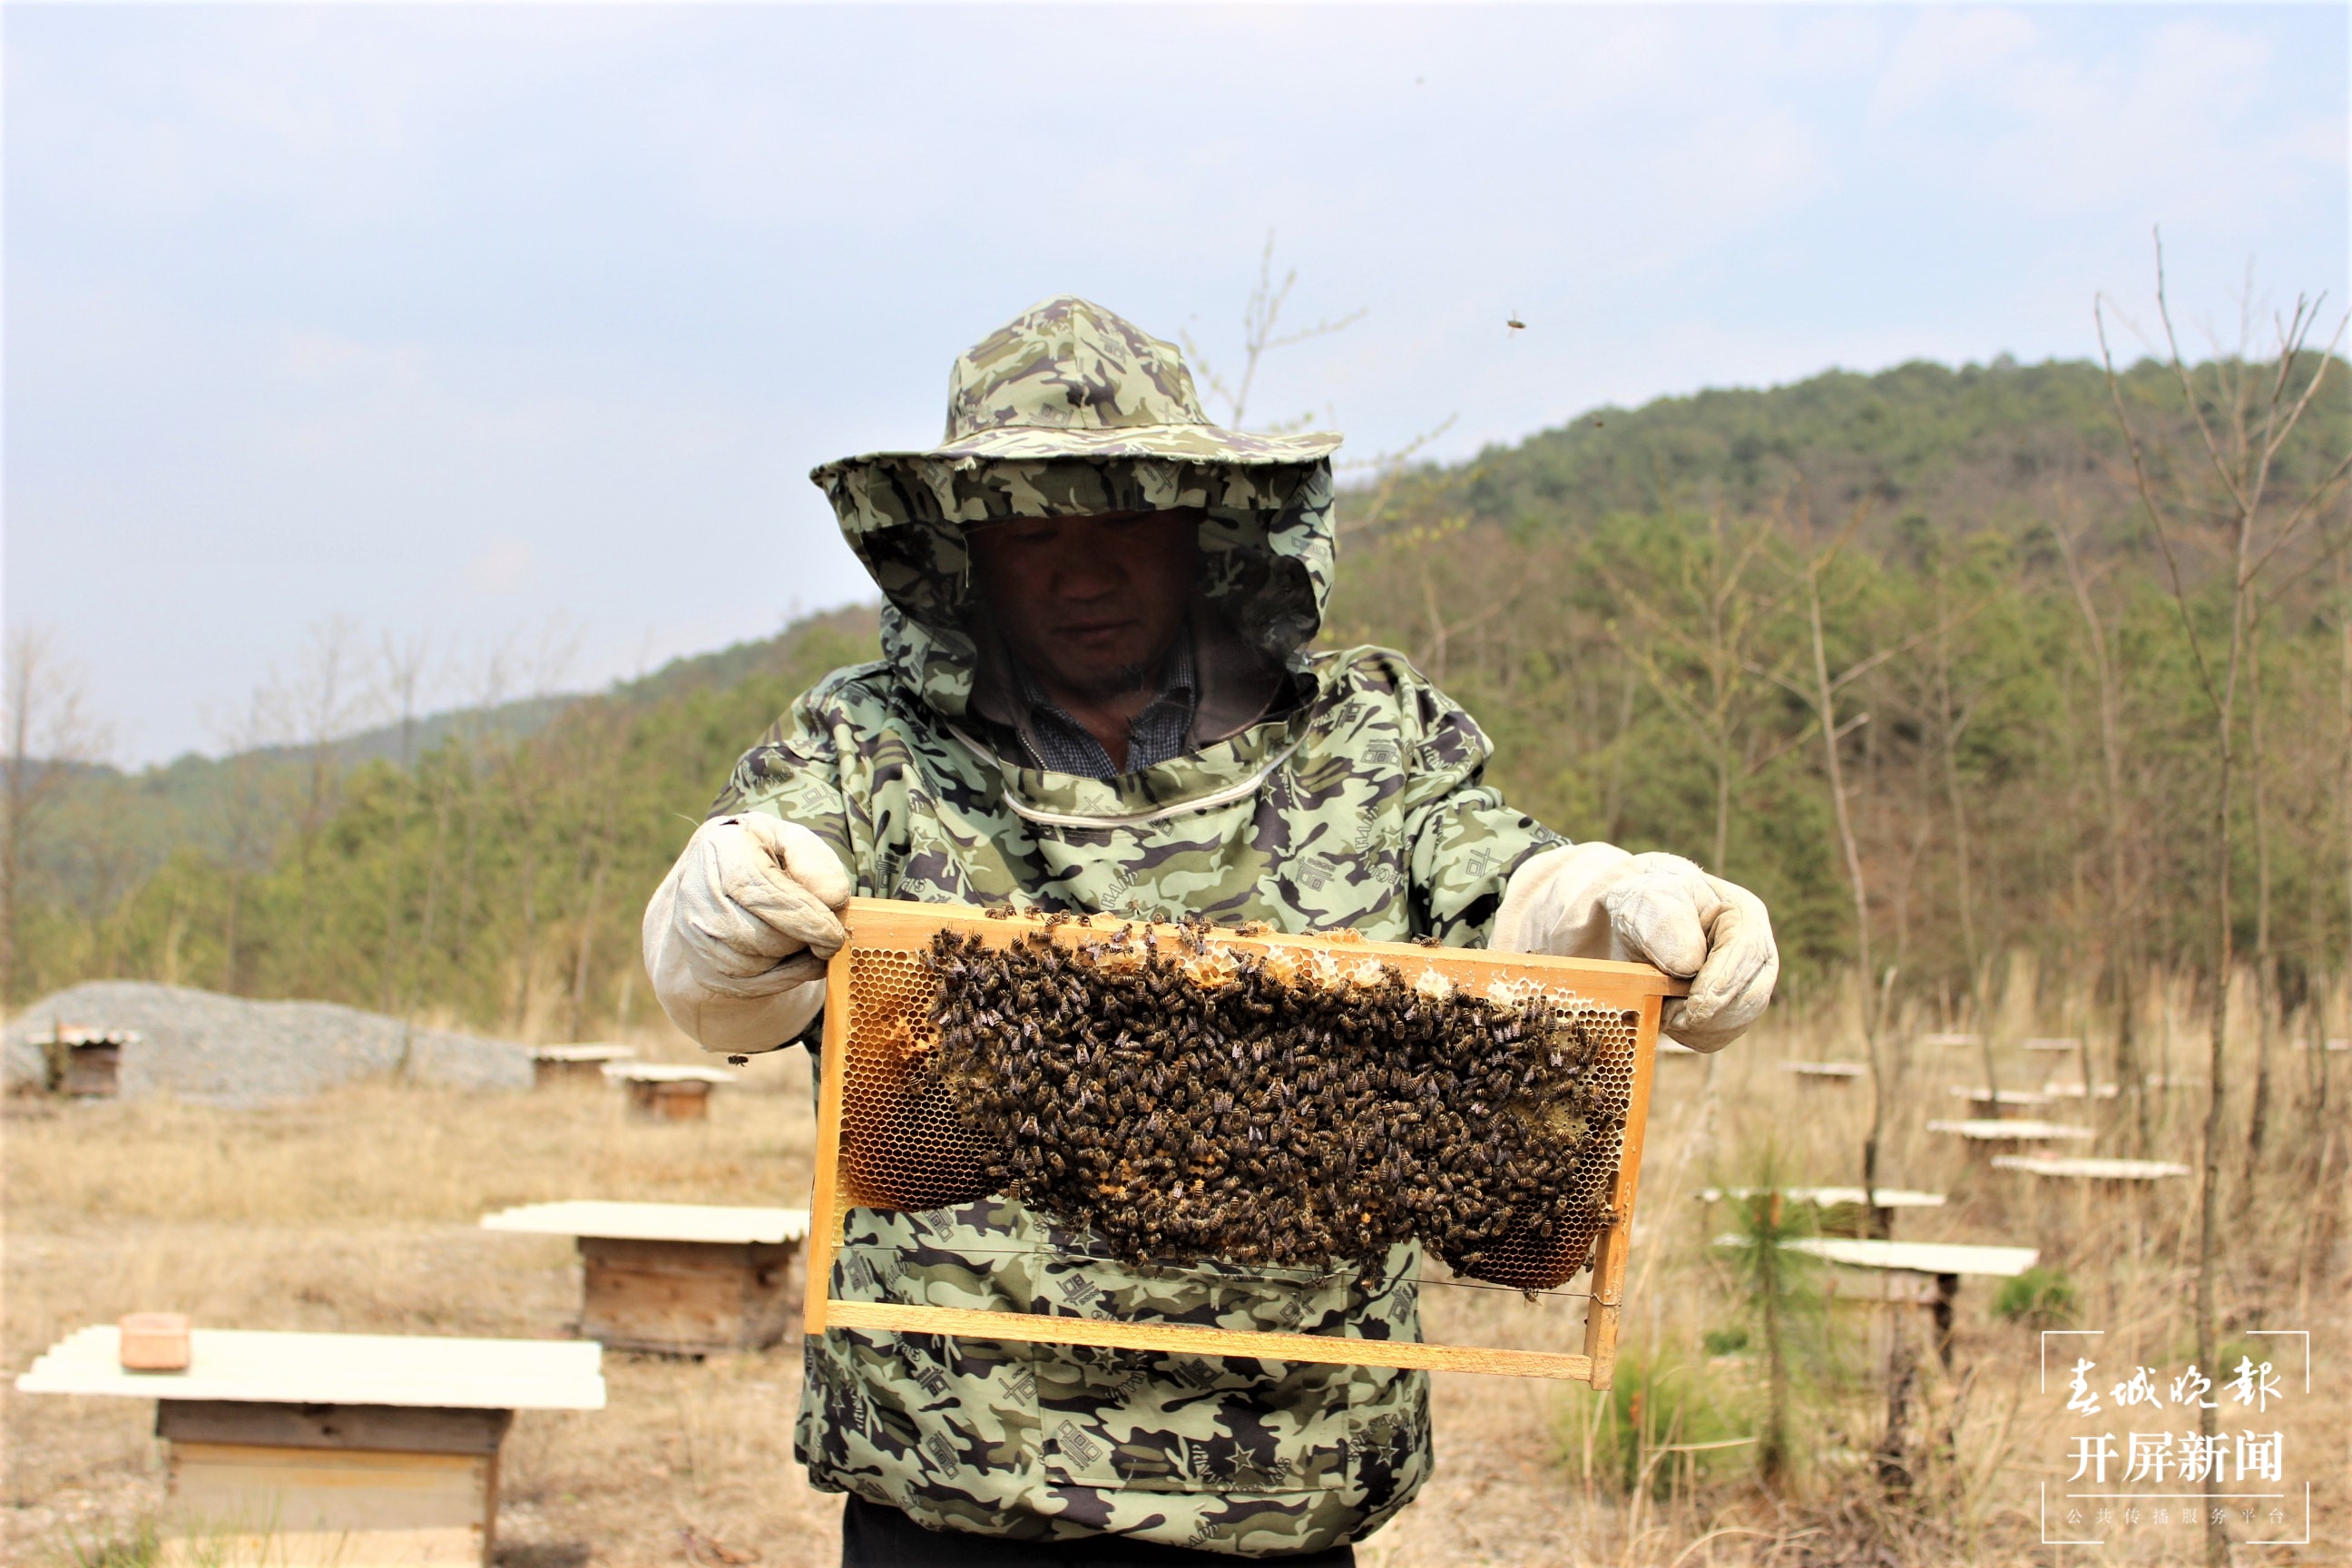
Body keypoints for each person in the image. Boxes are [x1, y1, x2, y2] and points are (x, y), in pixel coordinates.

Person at [642, 297, 1779, 1563]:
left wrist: (1619, 907)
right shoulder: (866, 748)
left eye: (1123, 514)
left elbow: (1510, 898)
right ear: (964, 548)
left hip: (1281, 1489)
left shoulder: (1365, 742)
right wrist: (724, 912)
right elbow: (738, 971)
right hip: (954, 1483)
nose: (1082, 569)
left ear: (1202, 528)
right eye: (1032, 528)